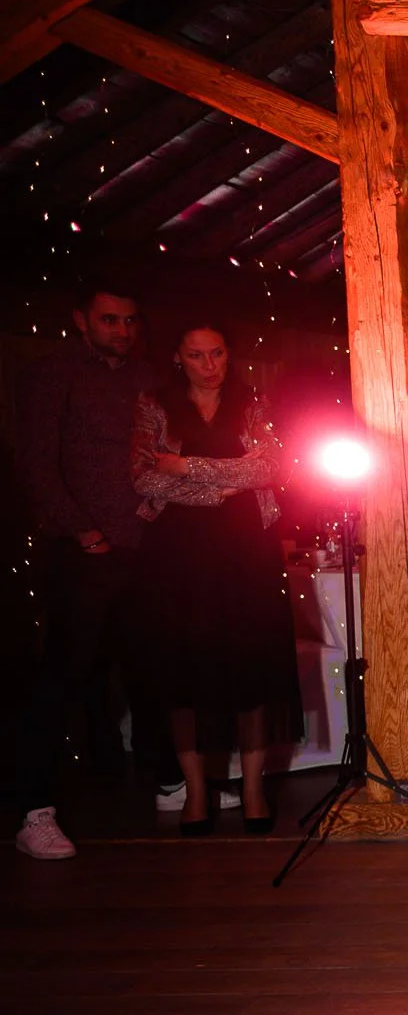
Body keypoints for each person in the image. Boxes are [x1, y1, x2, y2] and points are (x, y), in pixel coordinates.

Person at [14, 280, 181, 860]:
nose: (123, 330)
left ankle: (168, 782)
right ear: (82, 319)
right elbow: (36, 461)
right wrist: (81, 530)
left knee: (147, 668)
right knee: (62, 676)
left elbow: (160, 450)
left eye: (131, 321)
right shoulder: (52, 373)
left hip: (143, 546)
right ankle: (33, 812)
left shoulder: (147, 376)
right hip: (83, 549)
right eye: (110, 320)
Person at [129, 325, 299, 837]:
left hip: (247, 547)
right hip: (177, 553)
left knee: (251, 664)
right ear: (178, 358)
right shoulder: (153, 404)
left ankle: (251, 789)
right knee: (183, 669)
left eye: (218, 352)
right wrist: (219, 488)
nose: (210, 364)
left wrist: (185, 465)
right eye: (197, 355)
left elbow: (270, 466)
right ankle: (196, 791)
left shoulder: (251, 402)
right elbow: (142, 476)